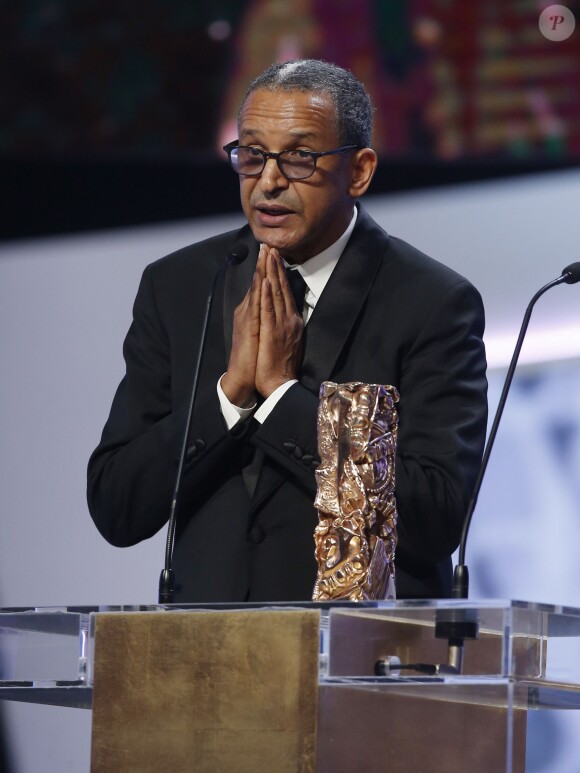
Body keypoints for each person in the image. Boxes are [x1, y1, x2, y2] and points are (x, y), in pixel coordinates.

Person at [87, 59, 487, 603]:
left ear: (360, 171)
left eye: (299, 157)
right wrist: (228, 398)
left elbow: (438, 517)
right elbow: (117, 505)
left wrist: (281, 398)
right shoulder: (179, 286)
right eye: (252, 155)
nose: (268, 181)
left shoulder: (432, 303)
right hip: (200, 661)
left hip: (357, 661)